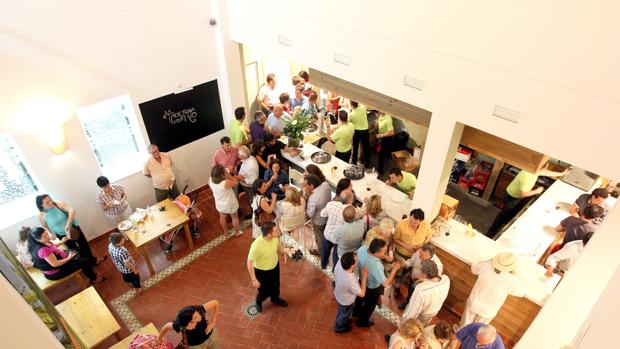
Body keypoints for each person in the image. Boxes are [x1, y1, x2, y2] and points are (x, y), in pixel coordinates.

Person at [486, 165, 568, 238]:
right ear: (540, 167)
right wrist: (537, 191)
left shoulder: (533, 170)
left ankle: (505, 227)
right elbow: (523, 194)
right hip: (512, 197)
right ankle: (491, 233)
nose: (546, 167)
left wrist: (561, 173)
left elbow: (546, 172)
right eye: (545, 166)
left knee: (511, 214)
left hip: (516, 196)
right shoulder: (528, 177)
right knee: (503, 215)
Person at [36, 194, 103, 266]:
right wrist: (50, 234)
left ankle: (93, 261)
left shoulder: (58, 203)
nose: (50, 202)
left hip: (73, 229)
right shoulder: (41, 215)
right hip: (62, 235)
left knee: (84, 245)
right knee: (74, 250)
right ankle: (86, 264)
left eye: (50, 200)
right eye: (47, 202)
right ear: (41, 205)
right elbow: (44, 226)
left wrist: (68, 224)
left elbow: (72, 210)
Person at [461, 253, 525, 327]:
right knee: (478, 330)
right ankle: (470, 338)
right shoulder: (512, 280)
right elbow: (521, 292)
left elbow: (473, 268)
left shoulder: (486, 266)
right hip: (489, 309)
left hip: (474, 302)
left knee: (465, 324)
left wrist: (487, 261)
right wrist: (514, 274)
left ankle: (459, 335)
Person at [27, 226, 104, 283]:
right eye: (44, 236)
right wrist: (69, 258)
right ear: (37, 239)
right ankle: (93, 278)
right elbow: (55, 264)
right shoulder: (42, 250)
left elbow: (52, 247)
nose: (47, 236)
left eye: (46, 233)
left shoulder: (41, 242)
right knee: (84, 261)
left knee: (79, 251)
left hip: (60, 259)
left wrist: (61, 242)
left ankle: (90, 266)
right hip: (56, 271)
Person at [354, 238, 401, 327]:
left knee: (359, 299)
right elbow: (385, 283)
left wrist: (383, 256)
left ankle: (355, 312)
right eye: (384, 252)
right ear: (377, 252)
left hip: (361, 279)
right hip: (371, 287)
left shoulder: (363, 248)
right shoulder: (375, 265)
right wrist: (394, 269)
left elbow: (371, 255)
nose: (385, 253)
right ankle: (362, 322)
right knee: (369, 305)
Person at [247, 221, 288, 312]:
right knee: (263, 291)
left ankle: (275, 299)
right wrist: (254, 279)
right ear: (269, 234)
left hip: (274, 267)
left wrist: (286, 251)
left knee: (275, 285)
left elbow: (279, 248)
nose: (278, 232)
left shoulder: (275, 238)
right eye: (276, 231)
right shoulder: (256, 246)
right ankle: (259, 301)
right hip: (262, 271)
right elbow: (249, 263)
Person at [402, 260, 450, 325]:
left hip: (423, 314)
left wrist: (404, 321)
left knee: (413, 327)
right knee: (424, 325)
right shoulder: (446, 279)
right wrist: (425, 280)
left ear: (425, 274)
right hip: (434, 311)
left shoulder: (420, 290)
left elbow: (412, 312)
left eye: (420, 270)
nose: (419, 272)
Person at [398, 243, 444, 309]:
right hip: (413, 280)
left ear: (430, 255)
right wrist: (402, 264)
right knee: (410, 292)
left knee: (417, 300)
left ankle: (413, 309)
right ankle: (407, 304)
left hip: (423, 286)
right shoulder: (418, 252)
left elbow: (436, 281)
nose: (419, 256)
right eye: (419, 253)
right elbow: (410, 262)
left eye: (422, 255)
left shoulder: (437, 264)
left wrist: (423, 280)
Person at [333, 252, 367, 333]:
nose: (357, 260)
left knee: (341, 311)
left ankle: (341, 321)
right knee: (344, 314)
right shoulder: (350, 280)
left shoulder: (340, 262)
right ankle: (339, 327)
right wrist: (364, 278)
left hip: (339, 294)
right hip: (346, 301)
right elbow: (362, 294)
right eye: (356, 260)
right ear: (352, 265)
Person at [320, 192, 355, 269]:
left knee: (325, 251)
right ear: (350, 201)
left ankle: (323, 265)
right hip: (338, 238)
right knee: (336, 255)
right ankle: (334, 270)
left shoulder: (331, 204)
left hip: (328, 233)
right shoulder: (351, 211)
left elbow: (322, 214)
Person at [304, 173, 331, 257]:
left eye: (306, 185)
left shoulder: (313, 198)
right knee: (325, 234)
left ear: (311, 186)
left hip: (318, 221)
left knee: (319, 237)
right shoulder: (326, 185)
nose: (305, 188)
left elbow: (310, 214)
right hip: (327, 216)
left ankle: (321, 251)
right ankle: (328, 246)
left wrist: (306, 198)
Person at [209, 165, 241, 236]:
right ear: (222, 174)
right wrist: (228, 175)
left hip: (219, 203)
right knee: (234, 217)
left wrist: (226, 171)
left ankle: (226, 232)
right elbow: (236, 182)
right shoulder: (225, 183)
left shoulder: (210, 180)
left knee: (222, 217)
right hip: (229, 204)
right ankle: (237, 232)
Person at [349, 101, 370, 168]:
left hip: (357, 132)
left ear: (351, 105)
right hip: (365, 131)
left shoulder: (351, 115)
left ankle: (354, 161)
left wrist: (351, 111)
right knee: (366, 147)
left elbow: (350, 123)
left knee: (355, 147)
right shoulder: (363, 107)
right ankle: (367, 163)